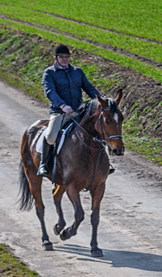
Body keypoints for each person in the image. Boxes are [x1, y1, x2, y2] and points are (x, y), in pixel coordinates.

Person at [37, 44, 101, 178]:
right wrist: (62, 105)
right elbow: (50, 92)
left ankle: (102, 163)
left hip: (79, 111)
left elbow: (89, 88)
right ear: (56, 58)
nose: (65, 59)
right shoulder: (49, 73)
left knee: (98, 130)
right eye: (62, 57)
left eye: (67, 57)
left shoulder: (77, 71)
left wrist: (101, 100)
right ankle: (44, 164)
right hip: (60, 112)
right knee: (51, 135)